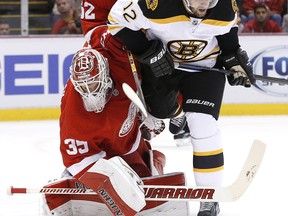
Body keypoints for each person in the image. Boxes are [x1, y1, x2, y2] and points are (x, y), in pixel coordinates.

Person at [107, 0, 256, 215]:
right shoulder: (154, 4)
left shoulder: (224, 7)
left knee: (204, 126)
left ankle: (210, 197)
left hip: (206, 70)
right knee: (160, 112)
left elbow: (227, 34)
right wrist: (148, 50)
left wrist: (233, 59)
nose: (206, 3)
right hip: (163, 69)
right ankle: (178, 113)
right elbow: (115, 20)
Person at [42, 22, 189, 215]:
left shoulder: (118, 59)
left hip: (128, 143)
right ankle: (73, 181)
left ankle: (154, 161)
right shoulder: (74, 111)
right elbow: (78, 159)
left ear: (105, 74)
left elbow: (116, 30)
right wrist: (113, 192)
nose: (90, 92)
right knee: (118, 190)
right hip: (100, 153)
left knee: (145, 180)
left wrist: (150, 113)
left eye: (94, 85)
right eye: (84, 88)